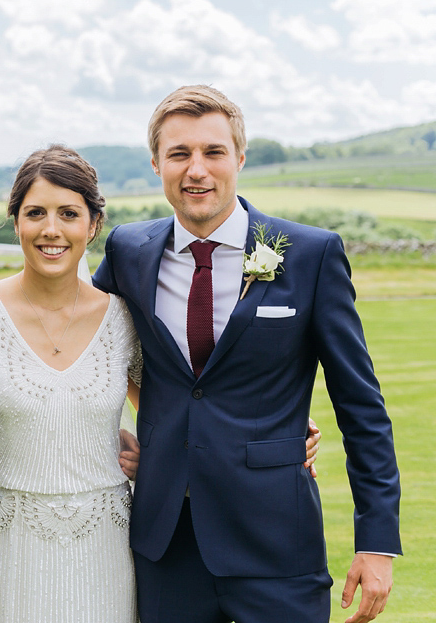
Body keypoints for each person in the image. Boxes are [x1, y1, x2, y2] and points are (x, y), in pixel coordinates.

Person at [93, 85, 401, 623]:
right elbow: (87, 346)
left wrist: (376, 543)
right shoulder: (127, 251)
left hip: (276, 543)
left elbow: (361, 407)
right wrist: (132, 431)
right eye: (179, 154)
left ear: (239, 157)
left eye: (213, 152)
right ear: (155, 163)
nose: (197, 170)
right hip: (166, 545)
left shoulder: (311, 255)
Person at [0, 145, 141, 622]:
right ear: (16, 223)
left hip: (106, 555)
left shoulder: (124, 319)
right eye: (36, 213)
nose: (51, 229)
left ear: (92, 225)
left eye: (69, 213)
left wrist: (283, 437)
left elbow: (178, 420)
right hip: (11, 554)